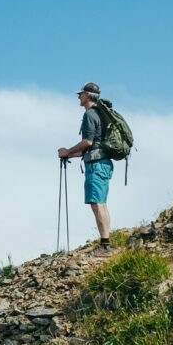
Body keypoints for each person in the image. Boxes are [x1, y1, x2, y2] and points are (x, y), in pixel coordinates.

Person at [58, 82, 114, 255]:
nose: (78, 97)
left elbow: (88, 142)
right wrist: (71, 155)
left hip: (96, 165)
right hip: (103, 163)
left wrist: (68, 151)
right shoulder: (101, 114)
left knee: (97, 204)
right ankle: (106, 243)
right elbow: (94, 146)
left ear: (88, 96)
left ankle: (105, 247)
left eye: (81, 94)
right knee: (101, 204)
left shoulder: (90, 114)